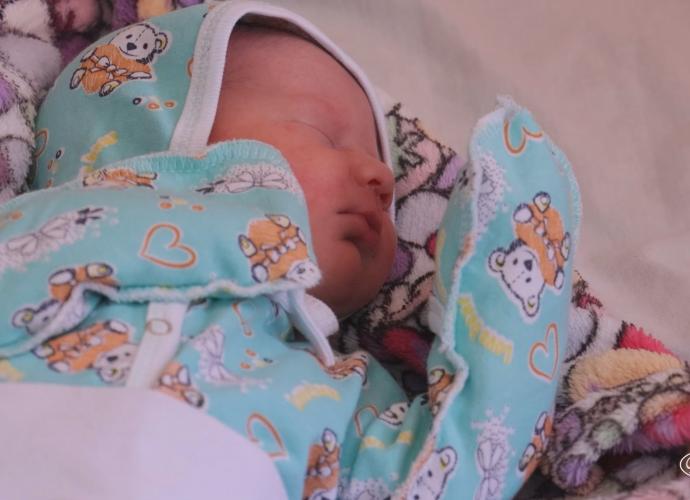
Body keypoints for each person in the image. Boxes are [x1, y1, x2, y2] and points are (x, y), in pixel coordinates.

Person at [0, 2, 581, 499]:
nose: (382, 178)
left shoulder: (340, 392)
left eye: (383, 166)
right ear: (167, 129)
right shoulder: (38, 231)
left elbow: (457, 467)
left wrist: (522, 239)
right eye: (324, 134)